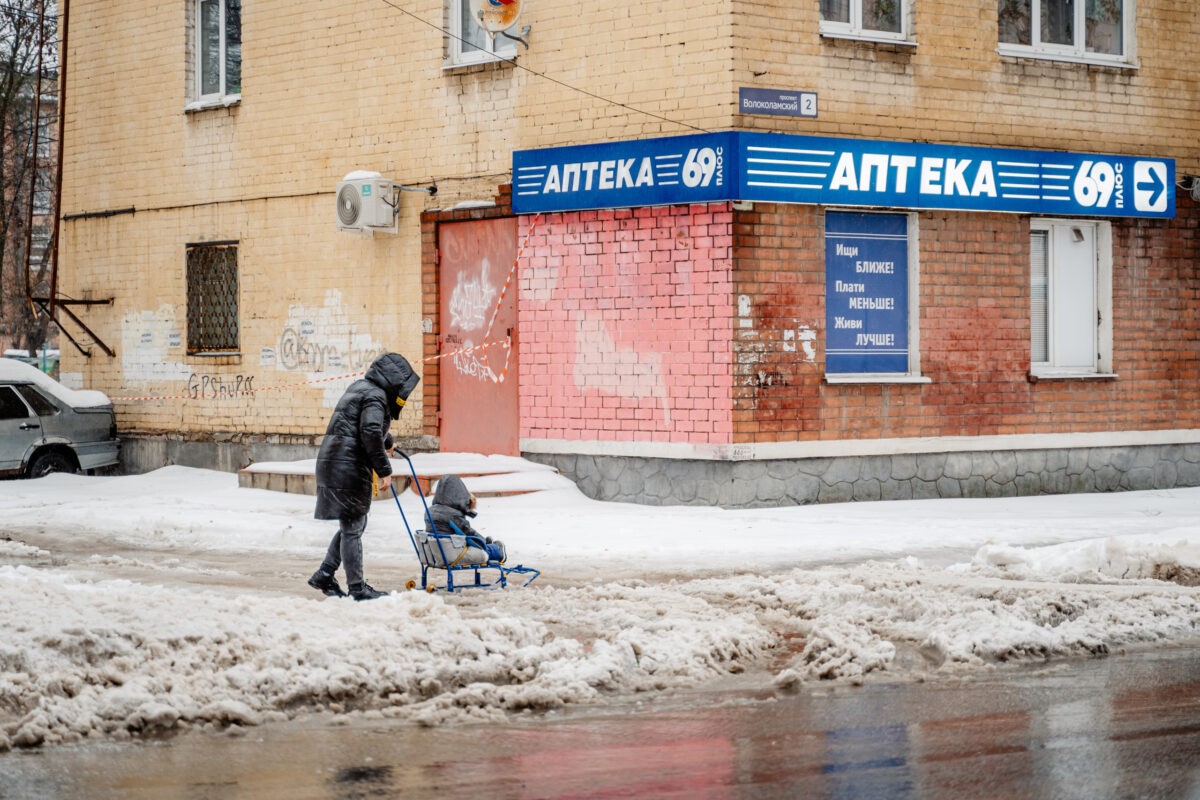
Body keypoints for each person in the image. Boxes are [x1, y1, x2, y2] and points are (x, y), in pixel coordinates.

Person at [307, 352, 419, 601]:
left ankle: (325, 574)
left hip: (337, 461)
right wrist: (385, 469)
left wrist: (387, 440)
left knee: (353, 524)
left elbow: (363, 425)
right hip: (346, 465)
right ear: (393, 381)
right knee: (353, 527)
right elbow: (369, 432)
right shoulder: (376, 396)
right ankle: (357, 588)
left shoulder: (362, 388)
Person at [427, 474, 506, 564]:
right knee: (487, 550)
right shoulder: (452, 515)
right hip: (452, 555)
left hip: (436, 554)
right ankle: (498, 551)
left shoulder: (430, 510)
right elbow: (468, 534)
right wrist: (485, 543)